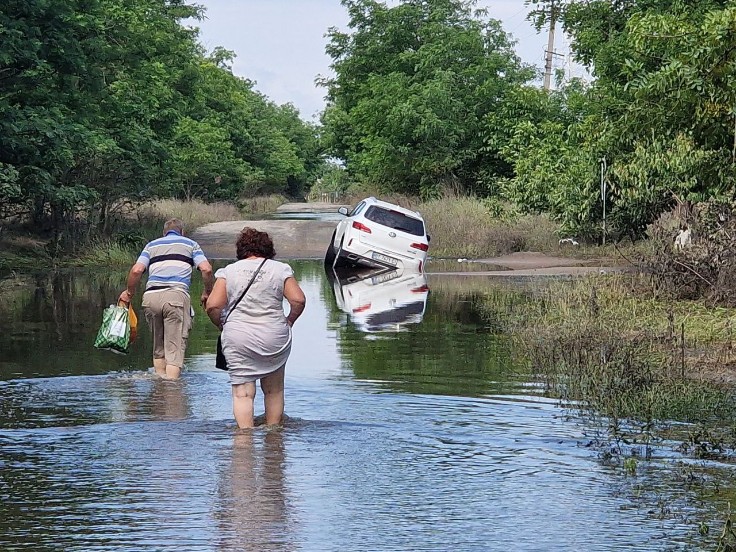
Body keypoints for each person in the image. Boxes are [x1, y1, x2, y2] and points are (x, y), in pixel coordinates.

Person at [206, 227, 306, 429]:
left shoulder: (229, 271)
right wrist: (290, 320)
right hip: (274, 335)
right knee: (274, 391)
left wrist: (222, 325)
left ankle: (244, 442)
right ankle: (274, 437)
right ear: (268, 249)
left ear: (241, 249)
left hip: (238, 336)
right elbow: (298, 300)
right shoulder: (280, 269)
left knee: (242, 394)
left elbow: (213, 305)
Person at [119, 218, 213, 380]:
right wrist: (207, 291)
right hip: (175, 296)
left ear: (164, 233)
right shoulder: (190, 244)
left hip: (150, 298)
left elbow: (136, 270)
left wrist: (128, 293)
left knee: (159, 347)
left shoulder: (151, 245)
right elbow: (206, 269)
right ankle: (171, 393)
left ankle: (160, 389)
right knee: (174, 347)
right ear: (182, 232)